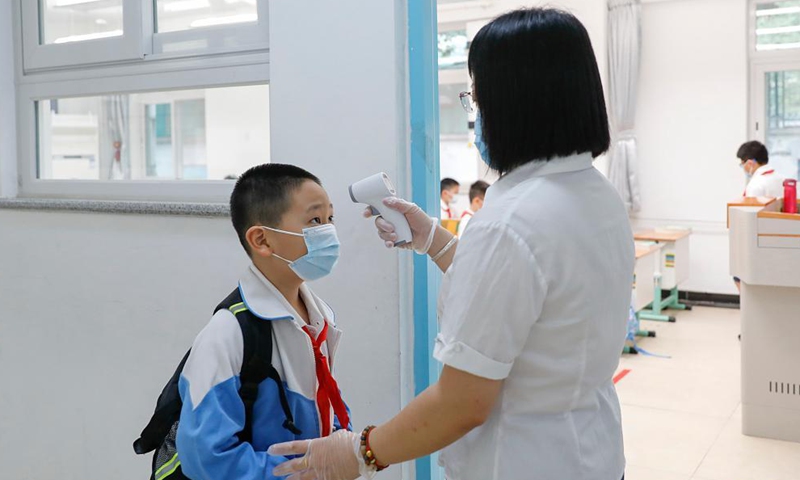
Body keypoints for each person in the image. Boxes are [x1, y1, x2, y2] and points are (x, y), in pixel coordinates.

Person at [269, 8, 632, 480]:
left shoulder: (508, 224)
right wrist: (434, 240)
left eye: (476, 98)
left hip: (520, 462)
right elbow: (538, 304)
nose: (474, 114)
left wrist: (359, 452)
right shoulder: (596, 194)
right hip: (593, 453)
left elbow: (462, 403)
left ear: (513, 103)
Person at [176, 164, 350, 480]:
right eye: (314, 220)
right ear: (262, 240)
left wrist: (343, 442)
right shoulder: (227, 334)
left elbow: (321, 402)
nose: (328, 231)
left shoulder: (319, 316)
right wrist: (302, 474)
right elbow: (206, 458)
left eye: (330, 219)